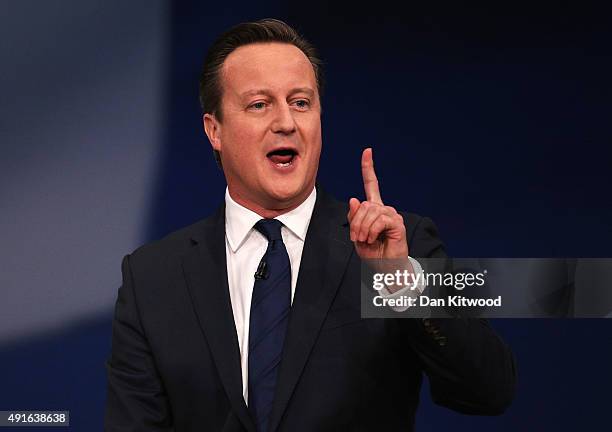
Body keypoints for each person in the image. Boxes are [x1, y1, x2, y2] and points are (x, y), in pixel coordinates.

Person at [105, 18, 516, 432]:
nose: (286, 122)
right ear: (215, 130)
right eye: (259, 104)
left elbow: (489, 390)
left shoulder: (401, 245)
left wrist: (402, 286)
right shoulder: (152, 277)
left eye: (301, 102)